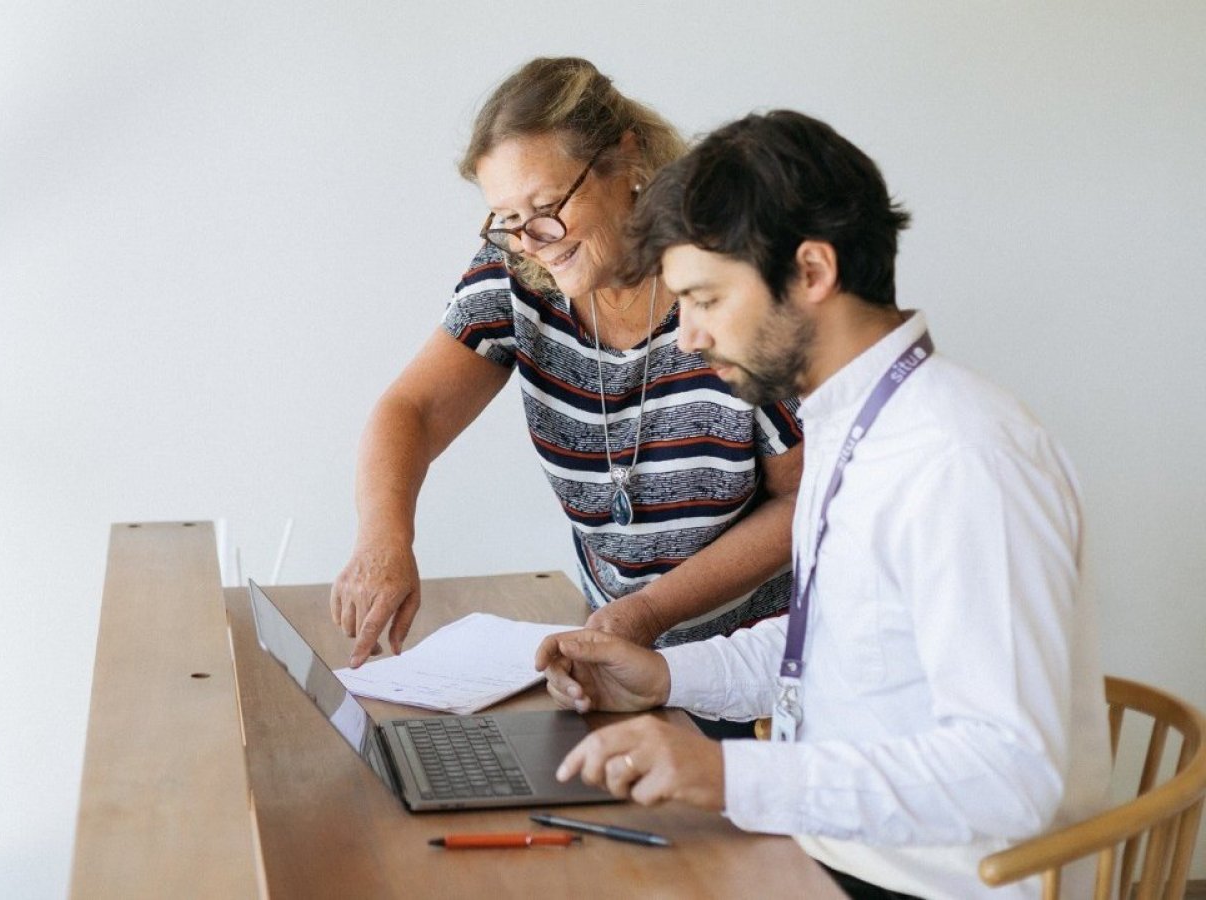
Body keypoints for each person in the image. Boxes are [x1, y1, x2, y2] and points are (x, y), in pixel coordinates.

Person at [535, 109, 1110, 899]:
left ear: (810, 272)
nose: (689, 337)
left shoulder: (960, 457)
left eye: (703, 299)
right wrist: (664, 677)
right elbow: (832, 650)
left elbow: (1011, 771)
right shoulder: (852, 423)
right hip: (840, 854)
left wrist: (734, 772)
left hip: (929, 882)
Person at [330, 58, 804, 701]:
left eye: (548, 206)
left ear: (625, 161)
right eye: (506, 218)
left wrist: (647, 613)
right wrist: (383, 539)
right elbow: (412, 407)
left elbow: (800, 503)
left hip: (754, 665)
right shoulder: (518, 272)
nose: (532, 240)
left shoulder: (721, 283)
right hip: (614, 652)